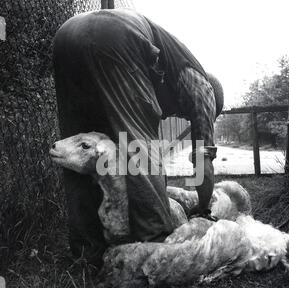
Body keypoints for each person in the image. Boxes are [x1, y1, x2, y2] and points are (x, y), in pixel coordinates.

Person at [53, 8, 224, 266]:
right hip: (115, 37)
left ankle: (88, 251)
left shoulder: (173, 69)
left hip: (65, 37)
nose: (178, 116)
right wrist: (203, 208)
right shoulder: (204, 91)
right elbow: (202, 164)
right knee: (140, 148)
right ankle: (152, 249)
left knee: (85, 144)